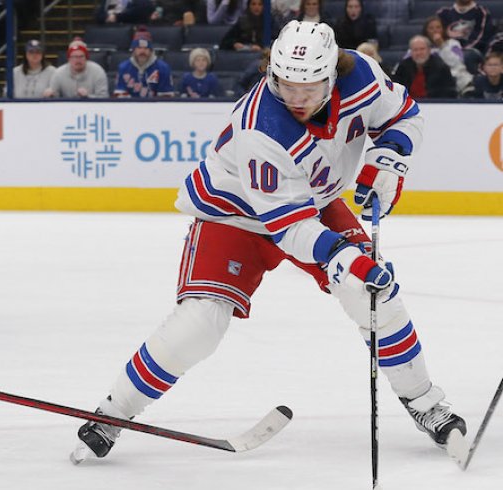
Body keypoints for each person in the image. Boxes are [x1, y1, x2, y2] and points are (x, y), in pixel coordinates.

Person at [71, 20, 467, 464]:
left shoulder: (361, 74)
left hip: (312, 200)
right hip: (236, 212)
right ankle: (113, 412)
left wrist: (389, 158)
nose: (296, 98)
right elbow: (291, 228)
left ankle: (425, 402)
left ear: (332, 75)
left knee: (373, 296)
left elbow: (404, 113)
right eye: (284, 84)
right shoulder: (261, 126)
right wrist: (345, 257)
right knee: (201, 323)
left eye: (309, 87)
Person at [392, 35, 458, 99]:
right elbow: (395, 89)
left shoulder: (441, 67)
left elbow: (450, 92)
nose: (419, 53)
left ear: (429, 50)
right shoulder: (403, 66)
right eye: (415, 50)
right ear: (411, 52)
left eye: (422, 49)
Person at [113, 29, 175, 97]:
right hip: (130, 106)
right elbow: (119, 96)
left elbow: (166, 97)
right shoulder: (123, 68)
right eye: (139, 48)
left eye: (146, 48)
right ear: (133, 50)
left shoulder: (163, 68)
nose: (142, 51)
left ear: (151, 51)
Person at [423, 15, 474, 96]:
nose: (435, 30)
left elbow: (457, 62)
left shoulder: (453, 44)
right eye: (431, 28)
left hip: (454, 76)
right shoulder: (420, 45)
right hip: (431, 78)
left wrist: (442, 45)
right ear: (426, 31)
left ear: (443, 29)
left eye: (438, 27)